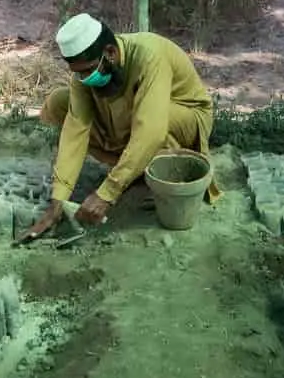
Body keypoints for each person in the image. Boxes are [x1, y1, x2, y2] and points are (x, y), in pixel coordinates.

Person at [23, 13, 214, 238]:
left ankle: (158, 169)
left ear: (111, 53)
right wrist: (58, 200)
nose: (85, 78)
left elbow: (151, 132)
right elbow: (76, 128)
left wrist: (107, 192)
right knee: (59, 102)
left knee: (145, 118)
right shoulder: (85, 77)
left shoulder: (148, 57)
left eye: (89, 70)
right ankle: (133, 167)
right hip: (133, 117)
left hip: (185, 117)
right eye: (79, 73)